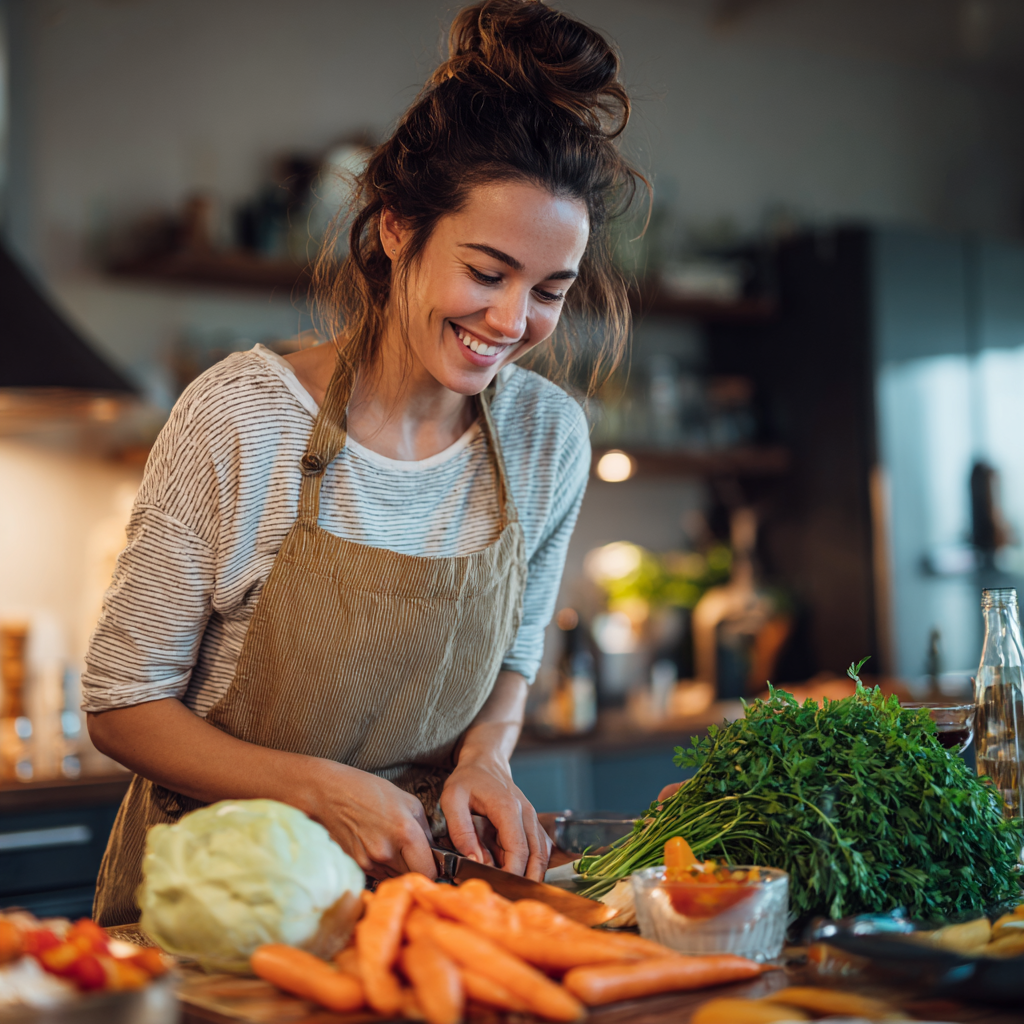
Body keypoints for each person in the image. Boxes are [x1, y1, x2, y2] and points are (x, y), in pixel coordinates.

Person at [84, 0, 644, 926]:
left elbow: (513, 659)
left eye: (549, 291)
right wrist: (320, 789)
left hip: (424, 909)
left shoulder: (549, 438)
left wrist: (486, 759)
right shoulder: (243, 417)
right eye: (486, 271)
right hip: (223, 909)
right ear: (397, 230)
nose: (511, 323)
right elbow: (121, 705)